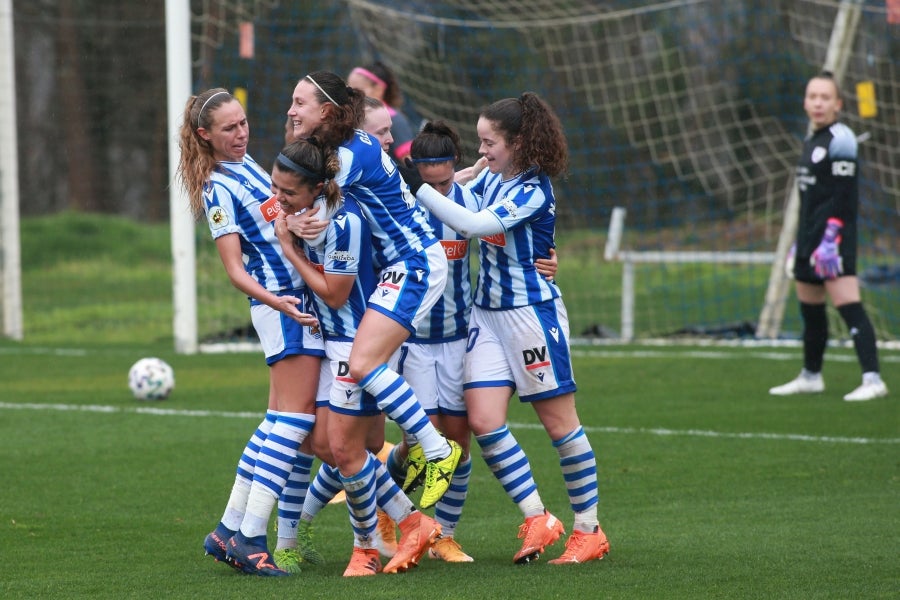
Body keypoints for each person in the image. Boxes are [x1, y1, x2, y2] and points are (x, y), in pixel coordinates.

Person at [414, 93, 610, 565]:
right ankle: (539, 517)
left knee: (560, 426)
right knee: (482, 421)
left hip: (530, 318)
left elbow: (475, 223)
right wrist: (438, 180)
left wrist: (415, 186)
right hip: (486, 315)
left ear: (519, 142)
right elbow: (458, 192)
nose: (482, 151)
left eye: (489, 142)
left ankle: (589, 529)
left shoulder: (532, 187)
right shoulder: (495, 178)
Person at [285, 70, 462, 572]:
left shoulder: (348, 155)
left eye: (301, 103)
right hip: (403, 266)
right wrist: (292, 215)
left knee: (361, 367)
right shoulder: (340, 148)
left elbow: (302, 199)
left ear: (328, 110)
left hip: (413, 264)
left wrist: (286, 221)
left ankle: (433, 449)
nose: (293, 111)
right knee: (344, 441)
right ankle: (395, 516)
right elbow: (300, 192)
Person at [176, 87, 324, 577]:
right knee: (297, 420)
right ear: (205, 136)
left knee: (277, 417)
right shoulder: (218, 187)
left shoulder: (252, 166)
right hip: (284, 303)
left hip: (292, 298)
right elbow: (236, 271)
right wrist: (276, 300)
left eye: (242, 124)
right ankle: (252, 539)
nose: (240, 134)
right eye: (228, 129)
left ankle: (228, 529)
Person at [769, 72, 889, 402]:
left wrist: (830, 237)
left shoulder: (842, 139)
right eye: (812, 96)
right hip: (808, 240)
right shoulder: (812, 140)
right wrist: (800, 241)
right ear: (806, 102)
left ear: (838, 103)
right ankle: (811, 375)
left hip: (832, 242)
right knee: (811, 311)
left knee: (849, 306)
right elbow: (811, 200)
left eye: (825, 97)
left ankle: (873, 379)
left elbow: (844, 197)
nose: (818, 103)